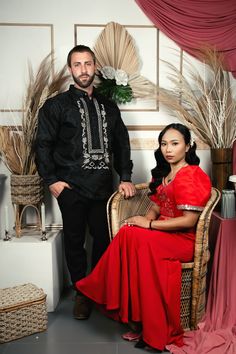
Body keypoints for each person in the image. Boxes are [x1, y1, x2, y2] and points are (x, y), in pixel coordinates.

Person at [76, 123, 212, 352]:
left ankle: (98, 288)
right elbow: (157, 207)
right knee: (129, 233)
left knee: (136, 238)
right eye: (164, 144)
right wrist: (145, 218)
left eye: (175, 144)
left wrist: (148, 225)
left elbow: (189, 221)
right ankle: (137, 318)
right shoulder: (167, 174)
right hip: (164, 234)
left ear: (188, 146)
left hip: (183, 240)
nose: (168, 149)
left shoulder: (191, 175)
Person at [35, 45, 136, 320]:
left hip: (103, 187)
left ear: (95, 67)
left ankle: (98, 289)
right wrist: (52, 181)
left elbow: (121, 143)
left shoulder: (109, 106)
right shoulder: (56, 106)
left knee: (103, 239)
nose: (83, 70)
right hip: (70, 188)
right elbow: (42, 144)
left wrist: (125, 177)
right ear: (71, 69)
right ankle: (82, 293)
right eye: (77, 64)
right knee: (75, 241)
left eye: (88, 64)